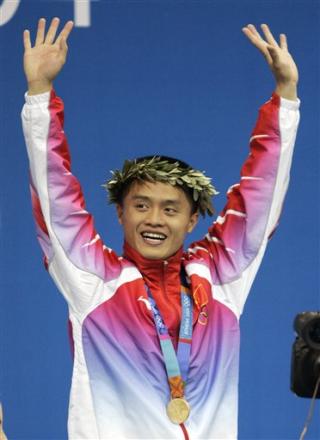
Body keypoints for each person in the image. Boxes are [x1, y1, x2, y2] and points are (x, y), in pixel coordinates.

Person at [22, 17, 299, 440]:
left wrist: (286, 98)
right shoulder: (94, 281)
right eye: (140, 206)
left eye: (170, 209)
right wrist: (40, 96)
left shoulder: (220, 279)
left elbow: (260, 198)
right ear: (120, 213)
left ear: (191, 220)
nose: (154, 219)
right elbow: (54, 195)